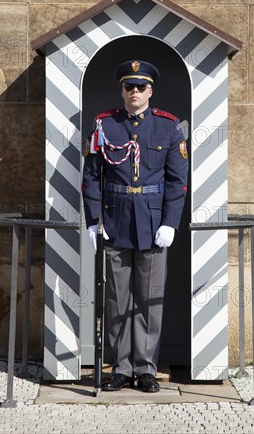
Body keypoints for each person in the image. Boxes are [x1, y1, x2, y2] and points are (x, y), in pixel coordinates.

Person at [82, 60, 188, 393]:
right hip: (115, 221)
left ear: (150, 91)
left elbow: (177, 181)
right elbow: (91, 176)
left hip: (154, 223)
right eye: (129, 87)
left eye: (141, 87)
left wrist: (170, 222)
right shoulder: (105, 125)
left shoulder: (168, 127)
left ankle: (145, 368)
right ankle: (122, 368)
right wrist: (92, 219)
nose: (135, 92)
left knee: (149, 299)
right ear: (122, 90)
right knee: (117, 299)